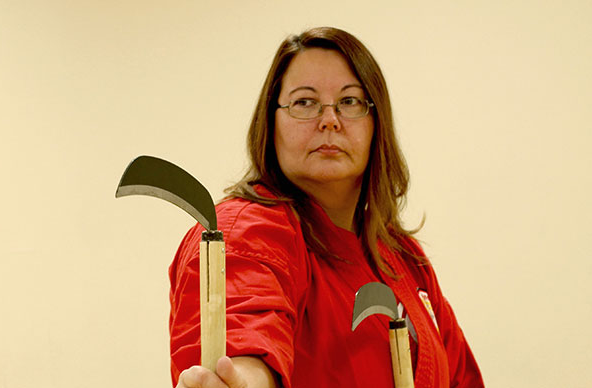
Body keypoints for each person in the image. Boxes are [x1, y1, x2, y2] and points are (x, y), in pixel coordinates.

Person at [169, 27, 484, 388]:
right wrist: (242, 379)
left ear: (375, 123)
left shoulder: (404, 261)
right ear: (270, 123)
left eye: (350, 101)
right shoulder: (247, 230)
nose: (330, 119)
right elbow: (245, 333)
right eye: (305, 102)